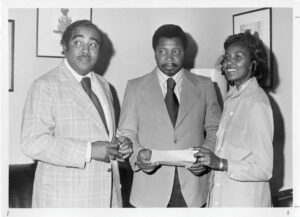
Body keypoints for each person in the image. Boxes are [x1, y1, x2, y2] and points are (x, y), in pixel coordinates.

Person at [21, 20, 132, 208]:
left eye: (93, 44)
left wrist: (121, 144)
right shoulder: (45, 85)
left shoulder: (104, 86)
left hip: (107, 198)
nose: (86, 50)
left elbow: (102, 133)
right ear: (64, 46)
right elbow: (32, 142)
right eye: (78, 42)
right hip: (65, 201)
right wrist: (89, 151)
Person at [117, 24, 221, 207]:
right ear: (154, 52)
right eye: (162, 51)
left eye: (176, 51)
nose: (169, 58)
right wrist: (138, 156)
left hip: (193, 187)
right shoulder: (135, 87)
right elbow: (127, 133)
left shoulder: (205, 85)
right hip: (149, 190)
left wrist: (205, 157)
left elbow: (215, 129)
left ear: (185, 52)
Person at [195, 31, 274, 207]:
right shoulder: (232, 97)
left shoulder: (257, 103)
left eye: (238, 57)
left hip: (246, 203)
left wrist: (220, 163)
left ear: (253, 64)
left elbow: (264, 169)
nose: (229, 62)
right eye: (227, 57)